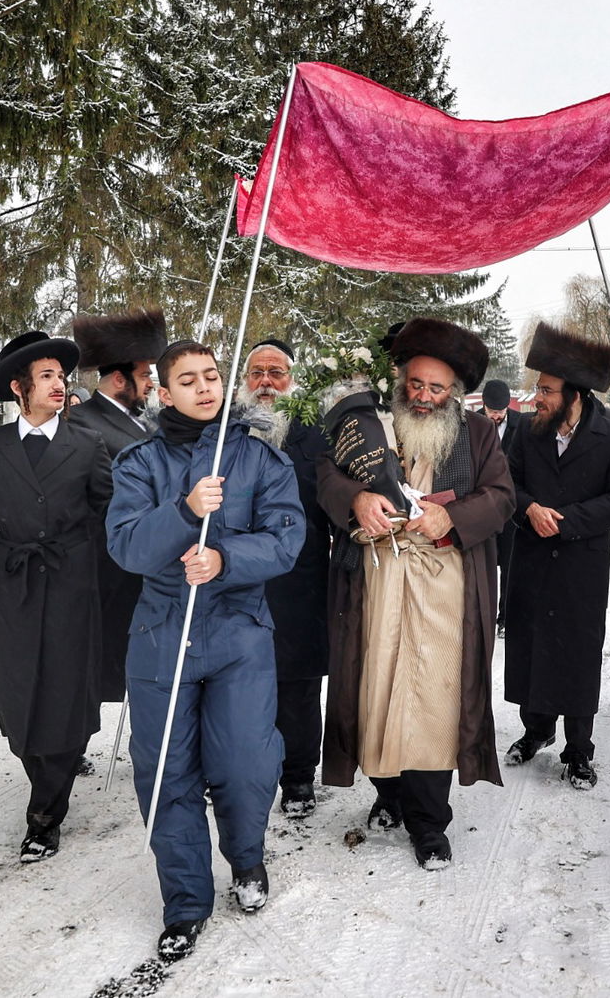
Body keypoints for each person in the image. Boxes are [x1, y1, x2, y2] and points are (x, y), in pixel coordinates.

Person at [107, 340, 304, 961]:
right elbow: (128, 548)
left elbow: (285, 539)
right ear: (163, 393)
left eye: (212, 376)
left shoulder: (259, 458)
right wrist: (184, 510)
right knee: (167, 772)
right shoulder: (137, 463)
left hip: (239, 632)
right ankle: (186, 901)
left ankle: (247, 861)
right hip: (162, 635)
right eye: (187, 380)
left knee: (246, 761)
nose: (204, 388)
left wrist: (224, 559)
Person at [317, 318, 513, 866]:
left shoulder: (477, 433)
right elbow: (326, 473)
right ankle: (388, 796)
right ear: (400, 380)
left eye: (437, 388)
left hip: (445, 588)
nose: (424, 397)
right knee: (378, 687)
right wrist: (357, 499)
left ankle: (429, 821)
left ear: (455, 393)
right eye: (416, 385)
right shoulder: (372, 424)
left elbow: (500, 498)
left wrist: (449, 516)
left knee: (433, 699)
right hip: (377, 581)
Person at [0, 331, 111, 863]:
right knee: (17, 688)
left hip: (73, 586)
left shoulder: (87, 444)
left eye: (60, 375)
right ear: (19, 388)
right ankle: (46, 766)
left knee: (67, 690)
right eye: (46, 375)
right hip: (14, 585)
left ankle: (45, 814)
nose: (59, 383)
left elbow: (110, 515)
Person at [503, 321, 610, 789]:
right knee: (534, 646)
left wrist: (567, 519)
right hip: (533, 561)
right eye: (537, 388)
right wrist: (529, 508)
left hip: (582, 564)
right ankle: (535, 731)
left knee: (578, 654)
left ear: (574, 395)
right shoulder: (526, 430)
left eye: (546, 390)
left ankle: (579, 748)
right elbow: (507, 485)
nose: (536, 397)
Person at [236, 339, 332, 820]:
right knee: (239, 687)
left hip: (301, 581)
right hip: (234, 582)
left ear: (292, 380)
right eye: (257, 373)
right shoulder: (227, 431)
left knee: (297, 690)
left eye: (277, 372)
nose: (267, 381)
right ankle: (242, 773)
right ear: (245, 380)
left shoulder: (317, 434)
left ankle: (298, 778)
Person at [69, 306, 166, 706]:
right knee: (98, 668)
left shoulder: (149, 420)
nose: (148, 385)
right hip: (108, 572)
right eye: (143, 376)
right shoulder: (82, 423)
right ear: (118, 378)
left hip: (149, 565)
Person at [479, 378, 517, 635]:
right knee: (483, 564)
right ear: (483, 406)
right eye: (493, 411)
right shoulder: (471, 422)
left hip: (511, 509)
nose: (497, 416)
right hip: (481, 508)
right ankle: (482, 615)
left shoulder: (521, 423)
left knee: (510, 565)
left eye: (501, 411)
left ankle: (505, 616)